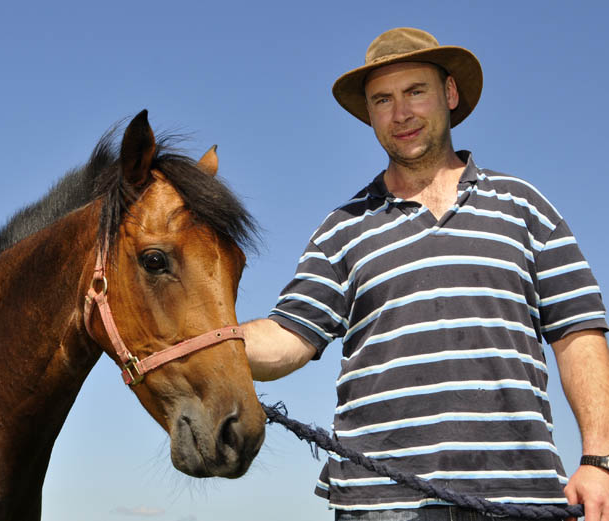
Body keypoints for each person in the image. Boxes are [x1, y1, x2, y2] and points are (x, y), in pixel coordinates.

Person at [244, 27, 609, 521]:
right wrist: (204, 340)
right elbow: (289, 338)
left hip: (519, 498)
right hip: (380, 504)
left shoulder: (525, 207)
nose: (401, 113)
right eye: (382, 100)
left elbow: (578, 332)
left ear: (449, 94)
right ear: (369, 115)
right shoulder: (342, 228)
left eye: (416, 91)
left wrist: (598, 459)